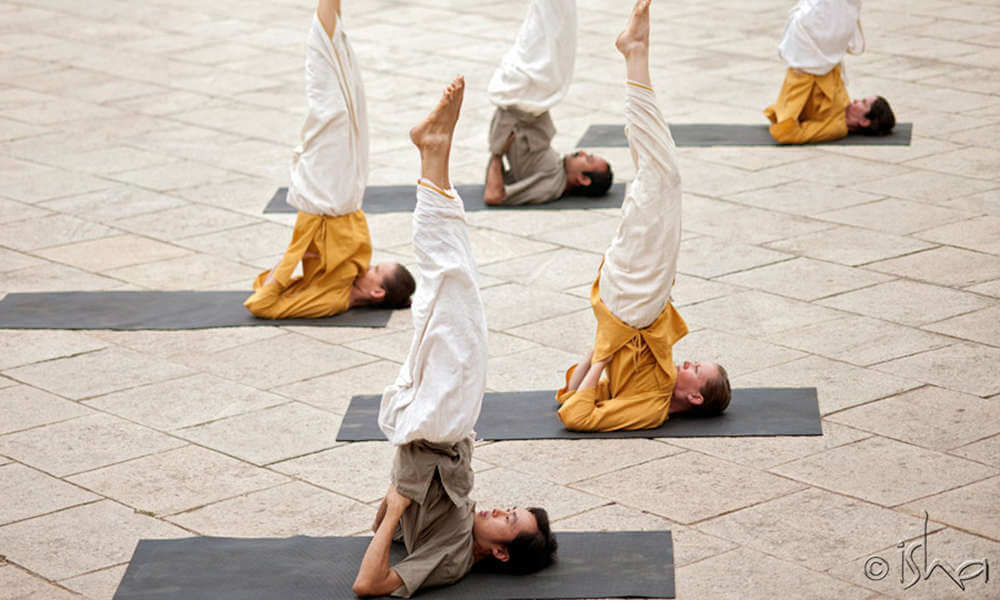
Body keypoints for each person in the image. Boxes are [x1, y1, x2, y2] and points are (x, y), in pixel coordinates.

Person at [352, 77, 557, 598]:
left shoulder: (453, 558)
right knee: (449, 287)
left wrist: (398, 502)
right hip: (442, 421)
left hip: (437, 419)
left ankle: (432, 154)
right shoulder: (461, 529)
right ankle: (432, 154)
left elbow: (368, 585)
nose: (497, 510)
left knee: (454, 283)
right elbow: (394, 528)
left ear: (502, 552)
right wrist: (392, 512)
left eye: (507, 520)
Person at [555, 0, 732, 433]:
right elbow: (571, 394)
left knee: (662, 176)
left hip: (630, 305)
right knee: (656, 175)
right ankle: (636, 56)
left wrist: (601, 354)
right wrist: (604, 343)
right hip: (642, 301)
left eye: (697, 368)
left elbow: (573, 412)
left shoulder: (652, 406)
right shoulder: (663, 372)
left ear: (693, 395)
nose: (688, 360)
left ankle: (636, 54)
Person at [244, 0, 415, 319]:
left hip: (326, 196)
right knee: (346, 90)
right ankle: (332, 17)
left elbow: (261, 304)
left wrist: (290, 259)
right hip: (342, 194)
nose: (369, 264)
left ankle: (324, 24)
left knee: (329, 101)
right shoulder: (350, 273)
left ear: (376, 292)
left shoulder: (333, 299)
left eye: (376, 269)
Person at [482, 0, 613, 206]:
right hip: (530, 101)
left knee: (553, 31)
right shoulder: (555, 174)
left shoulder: (552, 186)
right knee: (552, 30)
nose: (581, 152)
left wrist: (497, 153)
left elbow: (494, 195)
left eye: (586, 159)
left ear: (582, 179)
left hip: (522, 99)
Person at [764, 0, 895, 144]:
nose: (856, 100)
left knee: (827, 12)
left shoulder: (836, 128)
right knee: (841, 9)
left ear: (864, 121)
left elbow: (789, 134)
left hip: (806, 64)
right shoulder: (844, 102)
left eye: (863, 103)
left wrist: (800, 74)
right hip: (821, 53)